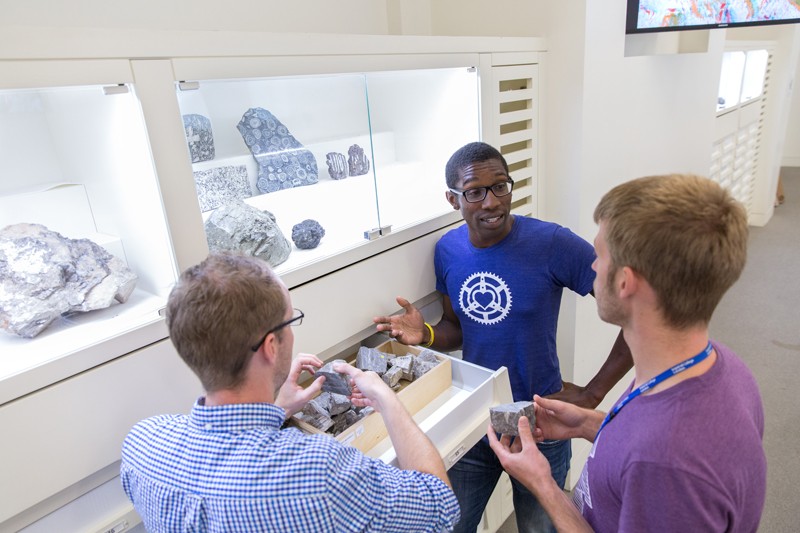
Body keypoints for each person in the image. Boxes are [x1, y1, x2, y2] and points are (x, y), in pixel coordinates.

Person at [373, 142, 632, 532]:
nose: (491, 202)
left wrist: (594, 393)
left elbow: (639, 313)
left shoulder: (552, 244)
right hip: (476, 420)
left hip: (540, 421)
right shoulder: (448, 250)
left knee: (540, 528)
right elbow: (456, 328)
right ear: (452, 198)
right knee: (452, 525)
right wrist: (424, 333)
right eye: (475, 192)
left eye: (500, 187)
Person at [489, 174, 767, 532]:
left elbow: (658, 457)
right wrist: (589, 424)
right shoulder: (715, 364)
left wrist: (543, 484)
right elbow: (644, 439)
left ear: (625, 282)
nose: (591, 266)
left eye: (599, 255)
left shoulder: (666, 462)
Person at [121, 253, 460, 532]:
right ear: (270, 346)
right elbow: (440, 507)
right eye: (290, 321)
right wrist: (388, 399)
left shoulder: (142, 444)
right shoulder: (317, 471)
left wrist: (276, 409)